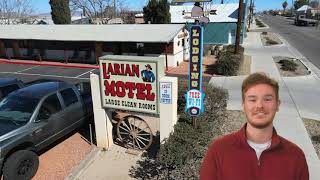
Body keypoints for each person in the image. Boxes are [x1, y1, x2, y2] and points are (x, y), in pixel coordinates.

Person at [200, 72, 309, 180]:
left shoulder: (295, 156)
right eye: (252, 99)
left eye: (267, 99)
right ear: (243, 105)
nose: (259, 105)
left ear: (277, 105)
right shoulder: (219, 150)